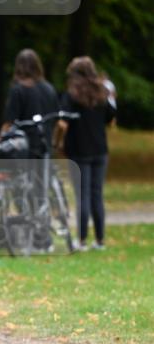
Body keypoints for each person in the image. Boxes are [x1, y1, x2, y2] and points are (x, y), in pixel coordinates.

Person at [57, 56, 116, 251]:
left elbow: (62, 124)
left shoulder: (72, 95)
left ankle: (81, 240)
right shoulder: (102, 93)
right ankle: (100, 240)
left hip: (79, 149)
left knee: (82, 195)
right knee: (96, 195)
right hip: (100, 149)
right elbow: (110, 119)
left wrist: (58, 142)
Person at [2, 49, 59, 141]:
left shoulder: (18, 90)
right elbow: (56, 120)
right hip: (45, 145)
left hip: (23, 146)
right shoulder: (50, 88)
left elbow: (9, 123)